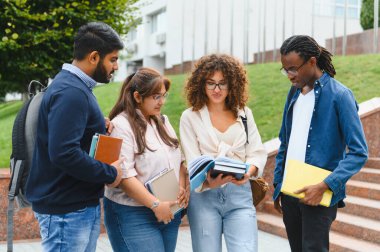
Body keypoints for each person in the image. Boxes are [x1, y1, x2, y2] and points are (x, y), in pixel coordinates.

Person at [25, 22, 124, 252]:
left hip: (72, 207)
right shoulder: (71, 92)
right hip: (65, 212)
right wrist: (110, 173)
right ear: (94, 57)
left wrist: (97, 127)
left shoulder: (74, 87)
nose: (116, 66)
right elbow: (63, 153)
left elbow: (69, 138)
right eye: (113, 59)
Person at [273, 35, 368, 252]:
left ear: (312, 62)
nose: (289, 75)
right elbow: (284, 142)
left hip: (319, 194)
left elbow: (358, 152)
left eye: (293, 69)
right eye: (285, 69)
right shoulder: (294, 93)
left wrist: (324, 185)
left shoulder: (340, 96)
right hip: (289, 193)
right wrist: (278, 184)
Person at [180, 54, 267, 252]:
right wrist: (210, 181)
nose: (217, 89)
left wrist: (249, 172)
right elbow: (193, 160)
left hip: (239, 194)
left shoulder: (244, 113)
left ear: (232, 84)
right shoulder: (190, 117)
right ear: (201, 84)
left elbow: (257, 151)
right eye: (211, 83)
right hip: (204, 197)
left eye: (223, 83)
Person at [103, 67, 190, 252]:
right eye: (155, 97)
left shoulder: (163, 121)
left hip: (168, 209)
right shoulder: (121, 126)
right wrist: (156, 204)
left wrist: (181, 188)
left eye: (163, 95)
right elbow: (124, 177)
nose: (162, 102)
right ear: (137, 96)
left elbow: (179, 162)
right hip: (134, 214)